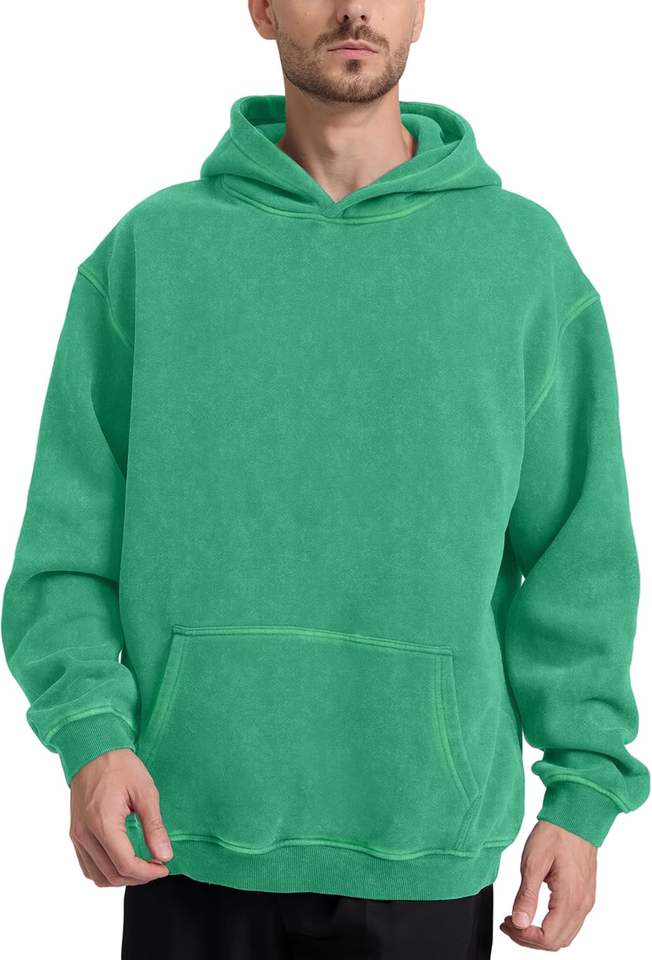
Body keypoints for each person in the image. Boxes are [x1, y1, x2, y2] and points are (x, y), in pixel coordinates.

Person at [1, 2, 649, 957]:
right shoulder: (153, 251)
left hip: (428, 837)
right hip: (183, 831)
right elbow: (65, 549)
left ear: (421, 9)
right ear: (262, 8)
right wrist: (91, 734)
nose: (354, 8)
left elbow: (577, 551)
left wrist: (583, 790)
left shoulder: (520, 261)